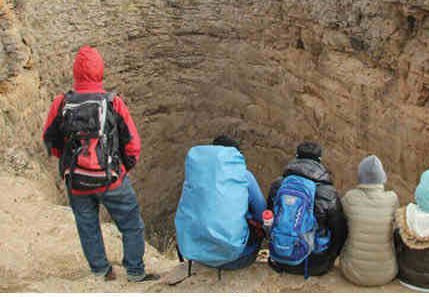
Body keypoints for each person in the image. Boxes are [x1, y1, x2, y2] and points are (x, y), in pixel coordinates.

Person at [42, 46, 156, 282]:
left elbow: (50, 139)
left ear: (76, 72)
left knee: (88, 226)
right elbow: (132, 143)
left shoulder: (61, 103)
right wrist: (122, 168)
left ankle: (101, 271)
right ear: (100, 71)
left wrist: (67, 163)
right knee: (131, 224)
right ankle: (135, 272)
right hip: (111, 179)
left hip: (77, 181)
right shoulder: (113, 103)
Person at [175, 135, 267, 271]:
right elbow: (261, 213)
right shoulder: (243, 175)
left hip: (196, 254)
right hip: (235, 258)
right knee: (258, 228)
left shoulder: (196, 175)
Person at [266, 142, 347, 277]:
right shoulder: (328, 192)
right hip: (315, 264)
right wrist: (332, 256)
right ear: (319, 160)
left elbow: (269, 218)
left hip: (280, 256)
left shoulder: (278, 185)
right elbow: (339, 231)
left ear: (296, 157)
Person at [340, 155, 398, 286]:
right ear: (382, 176)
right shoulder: (392, 198)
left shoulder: (350, 197)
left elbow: (342, 222)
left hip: (352, 272)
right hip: (387, 273)